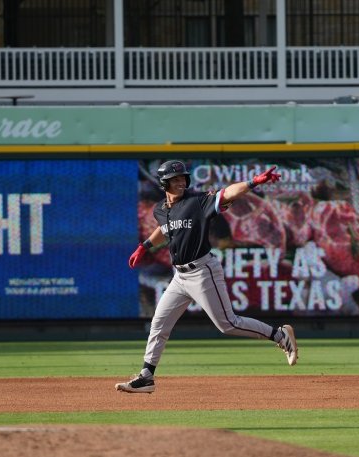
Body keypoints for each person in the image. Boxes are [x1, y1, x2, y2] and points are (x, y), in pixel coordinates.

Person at [116, 160, 297, 394]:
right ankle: (146, 377)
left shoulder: (198, 202)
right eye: (176, 178)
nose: (181, 181)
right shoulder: (161, 209)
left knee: (228, 324)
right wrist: (145, 246)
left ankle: (280, 335)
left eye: (183, 177)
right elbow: (165, 229)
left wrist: (253, 182)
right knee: (158, 324)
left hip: (203, 271)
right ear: (164, 183)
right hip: (179, 277)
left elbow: (228, 193)